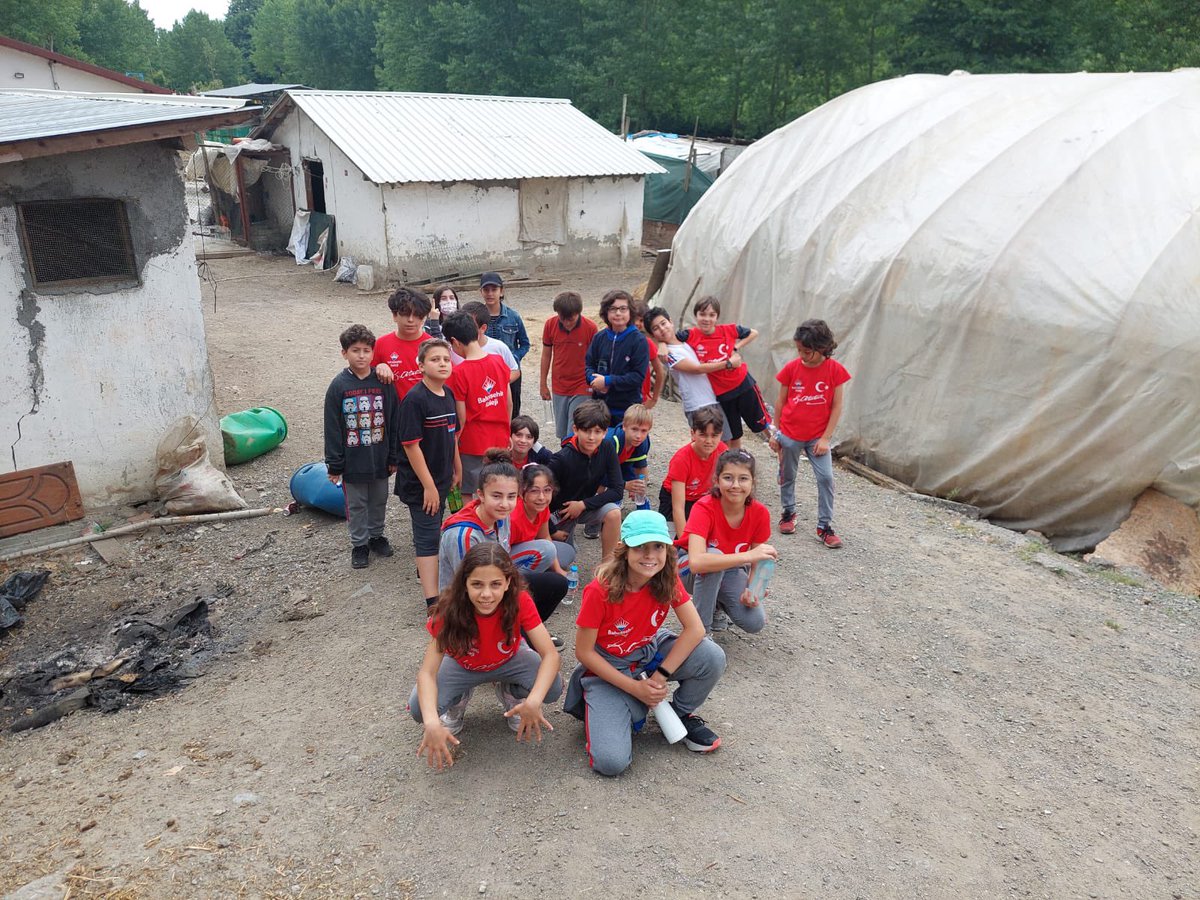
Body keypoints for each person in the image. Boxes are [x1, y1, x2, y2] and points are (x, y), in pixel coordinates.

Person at [562, 510, 726, 776]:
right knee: (611, 763)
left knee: (711, 657)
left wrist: (659, 678)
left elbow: (695, 630)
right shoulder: (600, 589)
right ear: (623, 549)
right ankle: (617, 704)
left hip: (648, 652)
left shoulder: (666, 577)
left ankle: (680, 713)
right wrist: (635, 688)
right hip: (608, 666)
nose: (650, 555)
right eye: (640, 547)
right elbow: (584, 652)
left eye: (658, 547)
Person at [410, 543, 563, 769]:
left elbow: (550, 655)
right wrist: (432, 723)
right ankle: (458, 698)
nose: (486, 594)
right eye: (477, 584)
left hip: (509, 660)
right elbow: (427, 672)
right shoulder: (449, 610)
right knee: (419, 710)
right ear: (464, 584)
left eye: (495, 584)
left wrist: (533, 701)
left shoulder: (520, 600)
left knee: (552, 688)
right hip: (463, 664)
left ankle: (511, 692)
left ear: (508, 583)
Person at [438, 450, 568, 627]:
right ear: (481, 495)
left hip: (495, 581)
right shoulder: (464, 535)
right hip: (467, 605)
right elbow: (468, 587)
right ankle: (505, 634)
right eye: (496, 496)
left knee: (556, 584)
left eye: (511, 496)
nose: (505, 504)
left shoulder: (502, 516)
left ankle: (522, 631)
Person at [769, 318, 851, 548]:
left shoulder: (836, 371)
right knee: (788, 475)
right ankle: (788, 512)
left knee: (825, 478)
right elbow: (780, 402)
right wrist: (776, 433)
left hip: (817, 438)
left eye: (807, 351)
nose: (802, 355)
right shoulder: (792, 369)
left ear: (822, 348)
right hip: (790, 434)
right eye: (799, 350)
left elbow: (837, 407)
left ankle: (824, 526)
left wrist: (826, 438)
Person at [323, 324, 399, 569]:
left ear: (373, 352)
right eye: (355, 350)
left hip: (380, 456)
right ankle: (359, 544)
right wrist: (334, 464)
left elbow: (394, 418)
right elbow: (332, 427)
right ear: (344, 353)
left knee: (379, 499)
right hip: (353, 461)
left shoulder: (384, 381)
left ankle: (376, 536)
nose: (361, 356)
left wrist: (394, 455)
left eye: (366, 350)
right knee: (356, 504)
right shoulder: (338, 386)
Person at [395, 338, 461, 607]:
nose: (442, 364)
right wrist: (429, 486)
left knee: (435, 529)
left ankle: (427, 570)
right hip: (421, 484)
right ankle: (433, 603)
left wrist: (456, 467)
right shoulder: (415, 400)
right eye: (435, 360)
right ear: (420, 365)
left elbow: (452, 435)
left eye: (446, 359)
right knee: (428, 537)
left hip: (443, 477)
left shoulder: (448, 394)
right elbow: (411, 446)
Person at [681, 449, 775, 634]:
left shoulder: (760, 512)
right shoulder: (704, 507)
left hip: (729, 568)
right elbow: (697, 562)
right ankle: (700, 633)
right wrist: (747, 555)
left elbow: (760, 558)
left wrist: (754, 589)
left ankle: (714, 603)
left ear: (753, 482)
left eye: (743, 479)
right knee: (713, 558)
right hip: (685, 568)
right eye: (728, 478)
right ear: (716, 480)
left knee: (755, 622)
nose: (735, 485)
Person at [676, 295, 770, 448]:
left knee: (762, 422)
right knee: (734, 433)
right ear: (696, 315)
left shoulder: (728, 330)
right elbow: (668, 338)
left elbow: (754, 332)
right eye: (702, 314)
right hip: (722, 393)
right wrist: (661, 345)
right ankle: (735, 461)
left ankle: (777, 445)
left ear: (717, 317)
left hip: (743, 384)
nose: (707, 319)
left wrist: (736, 347)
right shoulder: (690, 335)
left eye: (711, 315)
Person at [443, 311, 512, 495]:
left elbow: (461, 417)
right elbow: (508, 402)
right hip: (500, 438)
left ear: (455, 341)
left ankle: (474, 524)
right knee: (498, 489)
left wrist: (453, 444)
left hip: (473, 443)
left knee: (468, 492)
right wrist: (507, 430)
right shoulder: (498, 361)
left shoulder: (458, 373)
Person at [546, 400, 623, 561]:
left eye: (597, 431)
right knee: (564, 560)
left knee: (614, 513)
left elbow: (617, 490)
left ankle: (607, 569)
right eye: (586, 431)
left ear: (605, 432)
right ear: (575, 429)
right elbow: (538, 501)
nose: (591, 437)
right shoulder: (560, 460)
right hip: (559, 514)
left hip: (584, 506)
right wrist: (551, 530)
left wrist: (583, 504)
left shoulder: (607, 448)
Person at [644, 306, 732, 443]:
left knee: (723, 443)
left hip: (714, 398)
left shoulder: (687, 341)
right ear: (652, 334)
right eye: (655, 328)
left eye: (663, 323)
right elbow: (696, 369)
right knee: (705, 445)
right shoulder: (667, 354)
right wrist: (728, 364)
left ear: (670, 322)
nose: (662, 329)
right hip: (697, 404)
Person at [659, 406, 728, 539]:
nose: (709, 441)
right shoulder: (681, 459)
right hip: (674, 498)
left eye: (714, 435)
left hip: (702, 498)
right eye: (703, 435)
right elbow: (678, 508)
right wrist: (686, 543)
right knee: (669, 542)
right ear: (692, 433)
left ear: (721, 435)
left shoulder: (723, 452)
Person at [540, 289, 598, 441]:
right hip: (559, 384)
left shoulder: (590, 328)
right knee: (562, 432)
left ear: (579, 313)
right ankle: (566, 458)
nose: (566, 322)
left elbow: (596, 358)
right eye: (562, 318)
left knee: (576, 427)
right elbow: (546, 354)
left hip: (582, 384)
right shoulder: (550, 325)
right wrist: (543, 383)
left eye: (570, 319)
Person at [584, 289, 650, 424]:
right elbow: (589, 365)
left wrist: (608, 381)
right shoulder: (599, 338)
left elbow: (637, 376)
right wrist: (593, 380)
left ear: (630, 312)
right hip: (600, 409)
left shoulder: (638, 341)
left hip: (626, 410)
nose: (618, 313)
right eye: (613, 309)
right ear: (606, 312)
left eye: (623, 309)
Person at [479, 272, 530, 416]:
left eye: (494, 289)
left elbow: (525, 343)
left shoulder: (513, 316)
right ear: (481, 292)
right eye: (486, 290)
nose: (490, 294)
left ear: (501, 291)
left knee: (512, 411)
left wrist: (514, 357)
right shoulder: (476, 316)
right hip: (485, 373)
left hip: (510, 372)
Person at [372, 287, 432, 401]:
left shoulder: (433, 346)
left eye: (416, 315)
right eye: (405, 314)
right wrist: (378, 368)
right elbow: (364, 376)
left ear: (423, 318)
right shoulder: (380, 344)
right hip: (394, 413)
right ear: (395, 316)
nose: (410, 320)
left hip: (426, 413)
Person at [511, 464, 575, 572]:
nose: (541, 497)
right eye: (534, 491)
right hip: (506, 557)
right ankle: (520, 582)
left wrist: (558, 570)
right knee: (548, 550)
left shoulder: (542, 508)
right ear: (521, 493)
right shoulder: (513, 517)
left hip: (528, 550)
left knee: (567, 552)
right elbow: (499, 554)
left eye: (547, 490)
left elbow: (544, 537)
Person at [457, 301, 520, 384]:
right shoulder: (456, 348)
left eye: (471, 326)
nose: (466, 329)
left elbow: (515, 371)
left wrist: (498, 385)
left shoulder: (499, 347)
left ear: (483, 328)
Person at [631, 298, 666, 410]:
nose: (637, 323)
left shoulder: (646, 343)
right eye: (634, 319)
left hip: (640, 398)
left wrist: (654, 398)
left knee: (638, 426)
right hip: (618, 395)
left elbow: (660, 371)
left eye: (641, 320)